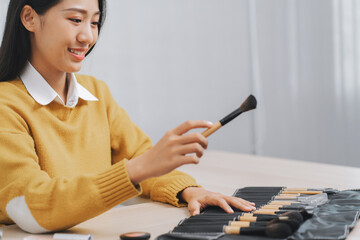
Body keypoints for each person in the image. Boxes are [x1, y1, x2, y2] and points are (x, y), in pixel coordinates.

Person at [0, 0, 256, 234]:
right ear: (29, 18)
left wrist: (190, 191)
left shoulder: (96, 93)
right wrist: (138, 168)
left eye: (94, 22)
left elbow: (143, 158)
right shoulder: (5, 104)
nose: (87, 36)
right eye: (76, 20)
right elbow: (30, 206)